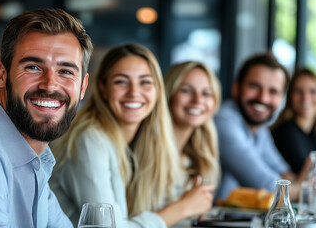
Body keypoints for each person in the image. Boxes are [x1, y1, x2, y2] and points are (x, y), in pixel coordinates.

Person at [50, 44, 214, 228]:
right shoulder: (89, 139)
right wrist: (182, 208)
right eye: (121, 81)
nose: (134, 92)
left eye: (145, 82)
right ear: (103, 88)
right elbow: (109, 226)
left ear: (157, 89)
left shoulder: (136, 141)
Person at [0, 8, 92, 227]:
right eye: (33, 67)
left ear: (83, 86)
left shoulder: (34, 160)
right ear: (2, 75)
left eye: (65, 71)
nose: (50, 85)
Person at [214, 52, 306, 201]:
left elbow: (283, 173)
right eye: (254, 86)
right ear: (236, 88)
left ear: (282, 99)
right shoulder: (224, 120)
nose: (263, 98)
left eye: (273, 91)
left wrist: (302, 181)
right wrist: (310, 189)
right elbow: (268, 185)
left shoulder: (260, 129)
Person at [164, 61, 221, 194]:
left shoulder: (202, 153)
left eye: (206, 93)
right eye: (186, 91)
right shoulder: (149, 150)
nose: (198, 100)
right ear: (169, 95)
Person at [271, 68, 316, 174]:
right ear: (290, 97)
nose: (306, 97)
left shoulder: (314, 133)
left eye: (313, 91)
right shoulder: (285, 132)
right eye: (299, 91)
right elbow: (310, 176)